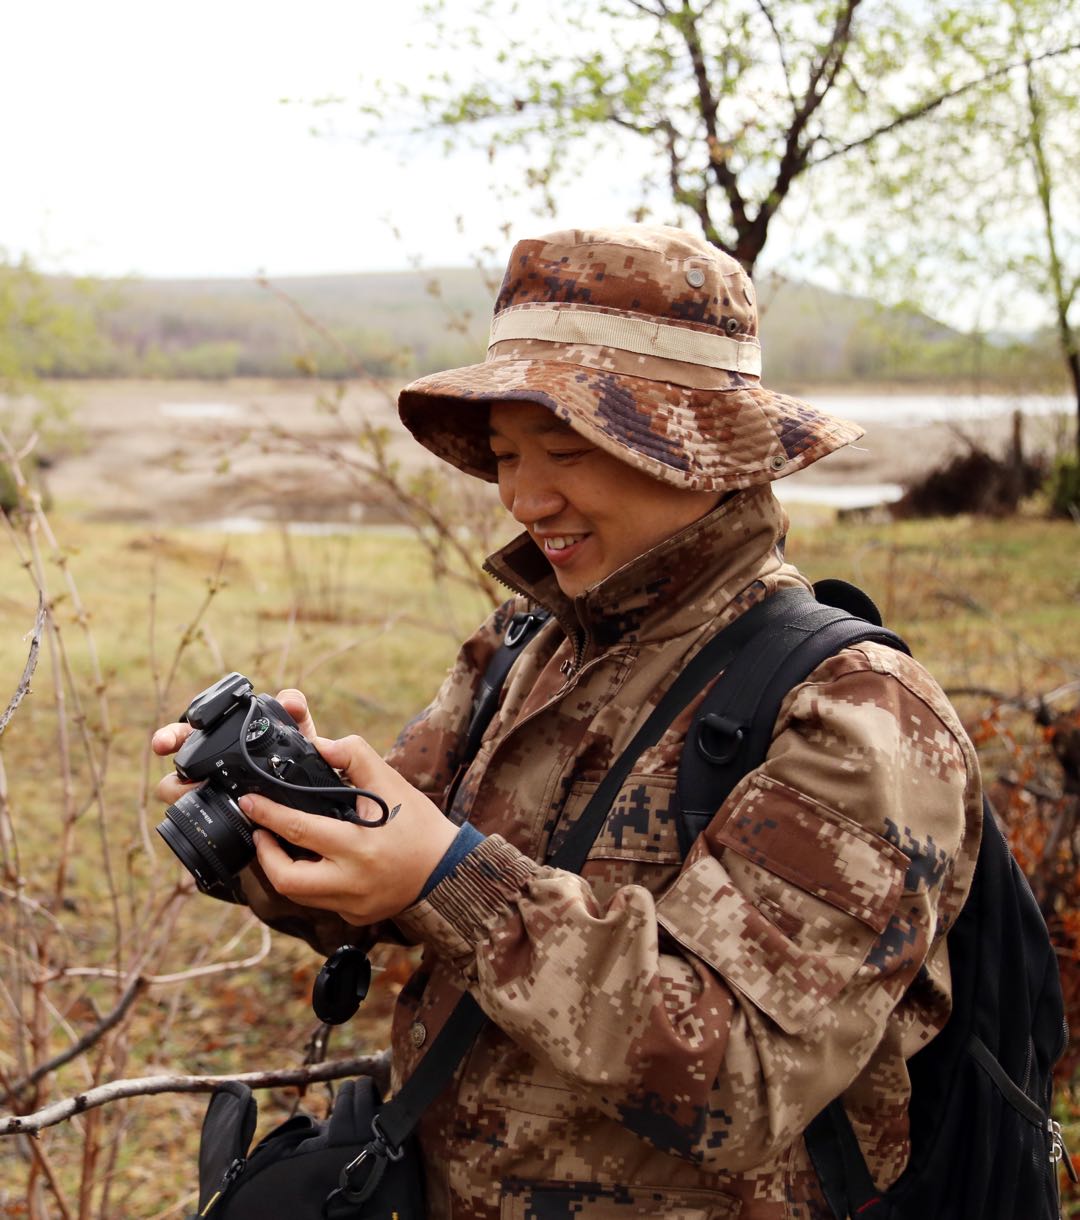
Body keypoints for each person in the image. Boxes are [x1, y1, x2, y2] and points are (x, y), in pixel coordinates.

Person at [154, 225, 982, 1219]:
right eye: (505, 453)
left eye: (567, 447)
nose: (522, 495)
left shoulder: (857, 715)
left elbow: (743, 1076)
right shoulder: (525, 644)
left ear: (698, 448)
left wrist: (451, 879)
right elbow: (375, 890)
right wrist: (275, 809)